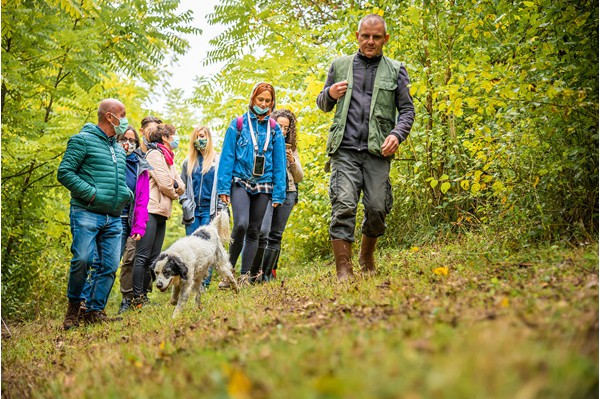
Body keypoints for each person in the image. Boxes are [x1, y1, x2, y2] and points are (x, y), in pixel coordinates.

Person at [316, 14, 415, 281]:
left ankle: (366, 255)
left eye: (376, 37)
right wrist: (329, 94)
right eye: (365, 36)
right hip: (345, 150)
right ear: (357, 36)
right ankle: (343, 269)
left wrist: (397, 134)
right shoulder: (340, 65)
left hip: (377, 152)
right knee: (344, 204)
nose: (370, 42)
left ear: (385, 39)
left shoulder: (396, 69)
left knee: (377, 207)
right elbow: (323, 104)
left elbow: (407, 111)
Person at [57, 98, 133, 329]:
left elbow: (119, 181)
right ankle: (73, 308)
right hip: (86, 212)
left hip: (113, 217)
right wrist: (90, 194)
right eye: (123, 114)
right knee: (82, 259)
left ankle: (94, 310)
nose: (125, 119)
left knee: (109, 265)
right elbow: (64, 173)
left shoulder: (118, 150)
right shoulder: (82, 141)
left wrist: (125, 195)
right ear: (110, 117)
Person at [216, 82, 287, 286]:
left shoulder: (274, 130)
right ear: (252, 99)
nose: (263, 104)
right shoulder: (237, 124)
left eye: (267, 101)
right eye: (260, 100)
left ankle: (245, 275)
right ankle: (228, 272)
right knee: (241, 225)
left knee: (255, 230)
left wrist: (279, 193)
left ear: (272, 103)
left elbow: (280, 162)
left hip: (264, 183)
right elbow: (227, 157)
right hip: (240, 180)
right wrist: (223, 188)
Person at [131, 123, 185, 308]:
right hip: (150, 210)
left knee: (154, 258)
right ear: (165, 137)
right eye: (174, 135)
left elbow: (181, 183)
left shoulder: (168, 158)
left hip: (162, 212)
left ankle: (144, 296)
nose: (176, 138)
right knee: (142, 255)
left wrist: (176, 187)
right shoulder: (154, 155)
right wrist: (176, 190)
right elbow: (165, 184)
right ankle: (137, 297)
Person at [250, 109, 303, 282]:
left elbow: (299, 177)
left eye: (286, 127)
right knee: (262, 231)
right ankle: (252, 272)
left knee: (276, 235)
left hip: (288, 192)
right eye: (279, 125)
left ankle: (267, 275)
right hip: (267, 191)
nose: (282, 129)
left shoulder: (291, 149)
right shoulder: (263, 143)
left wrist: (292, 161)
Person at [180, 126, 224, 288]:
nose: (200, 139)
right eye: (197, 137)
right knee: (191, 247)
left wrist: (220, 207)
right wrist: (184, 202)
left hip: (210, 210)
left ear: (209, 138)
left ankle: (204, 283)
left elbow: (223, 186)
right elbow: (180, 186)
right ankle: (190, 282)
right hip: (192, 212)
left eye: (203, 136)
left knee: (207, 248)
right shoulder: (188, 162)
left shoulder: (217, 161)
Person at [114, 126, 152, 313]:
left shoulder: (140, 165)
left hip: (129, 221)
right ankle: (90, 303)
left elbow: (142, 199)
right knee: (107, 262)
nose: (127, 144)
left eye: (132, 140)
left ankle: (127, 298)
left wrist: (139, 226)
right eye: (124, 139)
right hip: (110, 216)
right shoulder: (110, 158)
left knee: (129, 260)